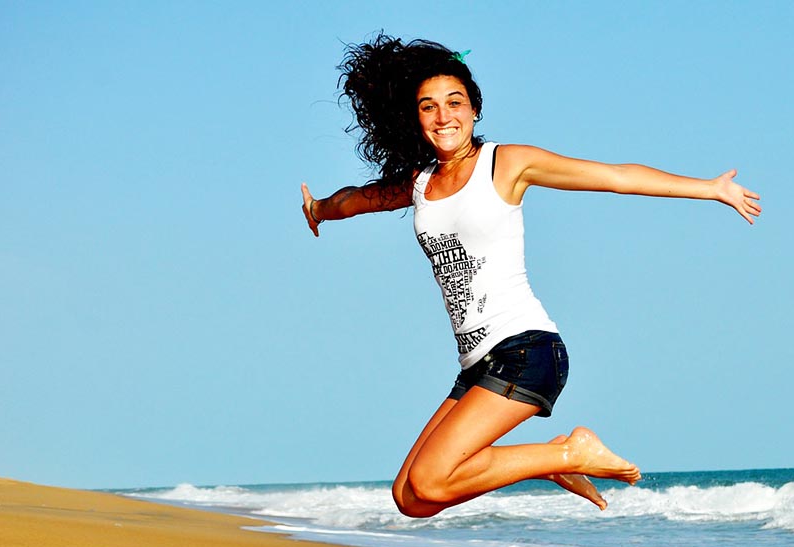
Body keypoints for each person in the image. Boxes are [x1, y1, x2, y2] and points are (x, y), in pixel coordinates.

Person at [301, 35, 761, 519]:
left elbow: (614, 176)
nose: (444, 116)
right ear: (414, 119)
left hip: (525, 351)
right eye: (428, 107)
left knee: (432, 479)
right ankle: (549, 460)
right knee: (411, 497)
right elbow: (357, 199)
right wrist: (319, 209)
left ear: (474, 109)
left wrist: (709, 189)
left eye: (455, 103)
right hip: (478, 363)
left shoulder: (506, 164)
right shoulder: (420, 184)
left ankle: (567, 453)